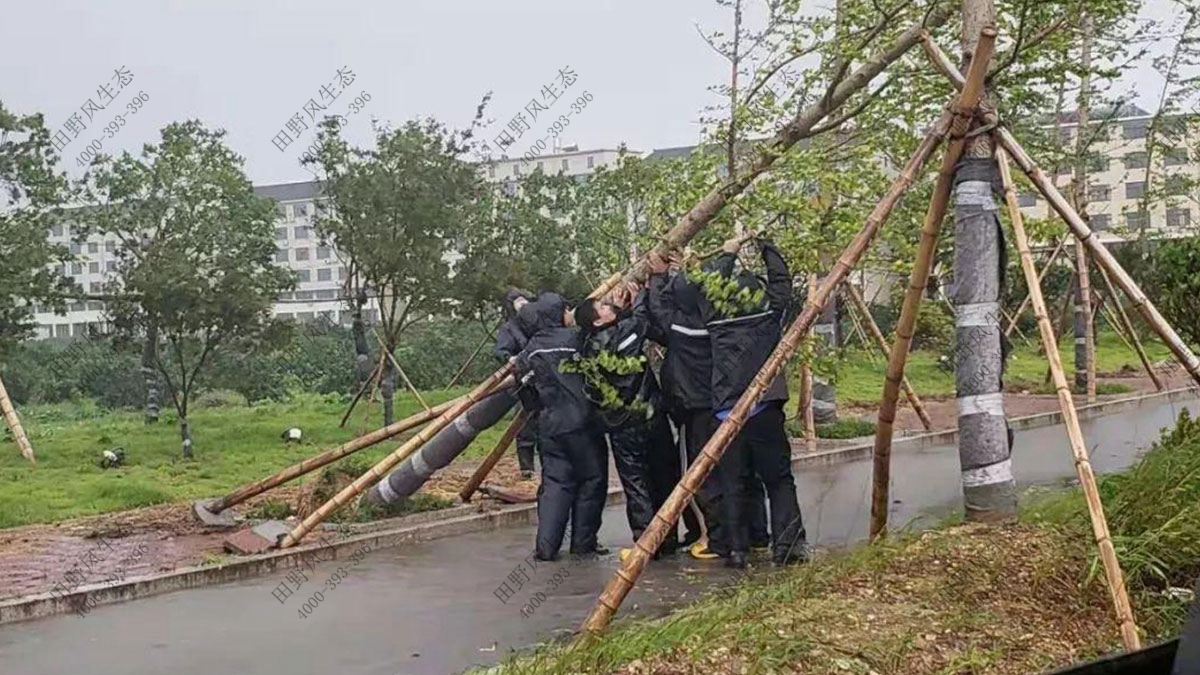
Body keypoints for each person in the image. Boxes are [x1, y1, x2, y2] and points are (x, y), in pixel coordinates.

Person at [646, 249, 769, 561]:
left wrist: (657, 277)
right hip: (729, 401)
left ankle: (718, 540)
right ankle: (756, 534)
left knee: (704, 474)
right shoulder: (725, 315)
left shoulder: (684, 325)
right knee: (741, 470)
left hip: (696, 404)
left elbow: (658, 311)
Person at [699, 236, 808, 569]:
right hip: (762, 409)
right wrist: (768, 247)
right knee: (778, 479)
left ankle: (737, 550)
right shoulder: (767, 316)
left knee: (733, 482)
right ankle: (787, 546)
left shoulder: (714, 318)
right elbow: (782, 286)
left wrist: (728, 252)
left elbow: (709, 288)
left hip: (726, 411)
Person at [572, 280, 679, 561]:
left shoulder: (589, 348)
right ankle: (665, 538)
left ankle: (646, 539)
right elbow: (641, 321)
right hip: (649, 418)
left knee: (636, 482)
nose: (610, 306)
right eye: (604, 307)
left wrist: (622, 307)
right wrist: (642, 291)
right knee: (663, 477)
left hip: (620, 425)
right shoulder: (627, 331)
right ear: (598, 321)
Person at [513, 292, 609, 561]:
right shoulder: (578, 340)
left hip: (550, 426)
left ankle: (546, 547)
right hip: (583, 424)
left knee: (555, 484)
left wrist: (540, 410)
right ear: (559, 312)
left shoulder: (529, 351)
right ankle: (583, 543)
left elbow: (525, 389)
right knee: (591, 480)